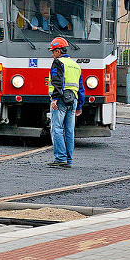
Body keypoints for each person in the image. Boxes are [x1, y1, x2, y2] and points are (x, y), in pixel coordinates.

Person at [47, 36, 84, 168]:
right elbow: (81, 87)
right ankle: (69, 159)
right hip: (73, 100)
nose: (52, 55)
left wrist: (55, 99)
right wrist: (79, 105)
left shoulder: (58, 63)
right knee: (69, 131)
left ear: (58, 51)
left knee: (56, 128)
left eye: (53, 51)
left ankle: (60, 158)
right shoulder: (75, 65)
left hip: (61, 100)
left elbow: (57, 82)